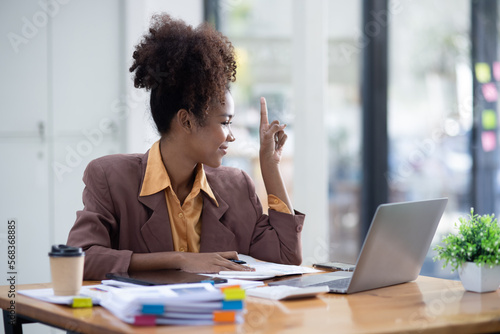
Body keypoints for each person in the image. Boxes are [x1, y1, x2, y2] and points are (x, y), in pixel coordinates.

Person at [67, 13, 304, 280]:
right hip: (145, 320)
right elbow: (81, 257)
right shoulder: (111, 178)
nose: (231, 136)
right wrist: (180, 260)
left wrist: (270, 166)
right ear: (187, 121)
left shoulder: (236, 186)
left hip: (218, 319)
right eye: (225, 122)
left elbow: (286, 258)